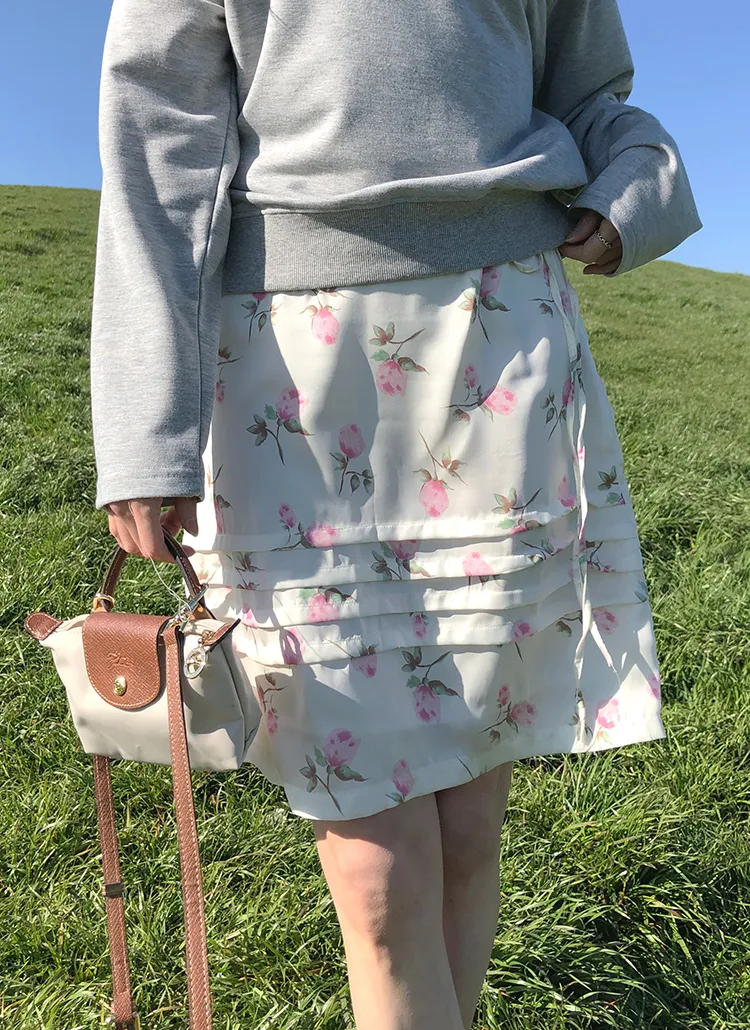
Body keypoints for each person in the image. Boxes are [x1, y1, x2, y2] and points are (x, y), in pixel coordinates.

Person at [89, 1, 701, 1026]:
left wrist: (639, 176)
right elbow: (157, 140)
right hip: (291, 379)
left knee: (467, 830)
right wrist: (146, 424)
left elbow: (588, 93)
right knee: (377, 873)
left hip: (500, 349)